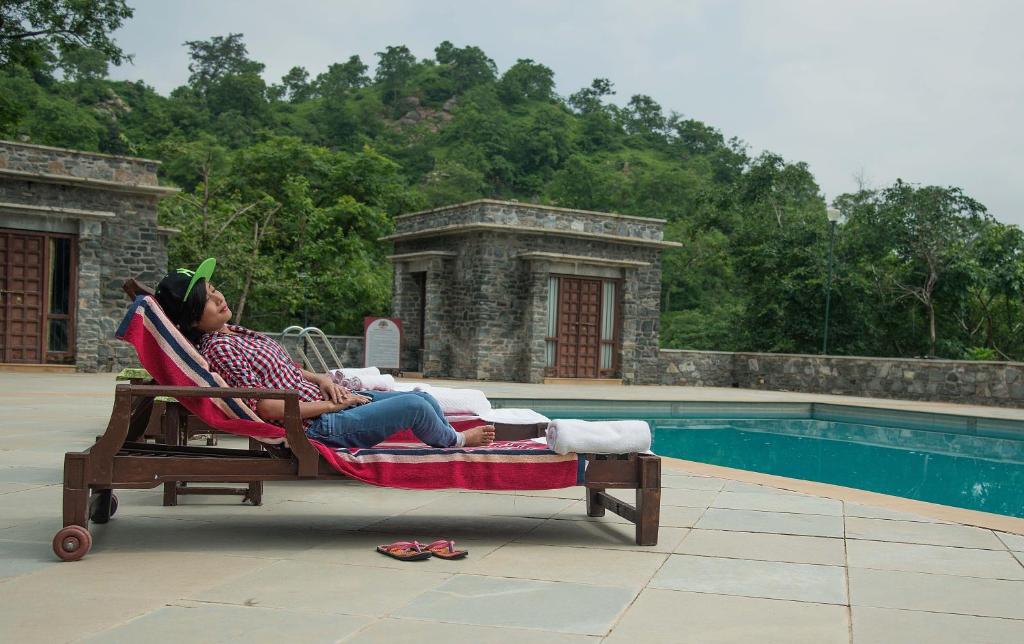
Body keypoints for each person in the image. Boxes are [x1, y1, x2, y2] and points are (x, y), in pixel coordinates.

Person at [154, 258, 495, 449]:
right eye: (207, 300)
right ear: (192, 318)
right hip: (317, 425)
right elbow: (267, 407)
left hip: (326, 402)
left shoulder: (233, 331)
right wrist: (334, 406)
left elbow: (285, 369)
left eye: (214, 289)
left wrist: (321, 380)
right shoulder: (220, 347)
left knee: (424, 399)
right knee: (415, 406)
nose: (219, 298)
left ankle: (443, 435)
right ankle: (454, 441)